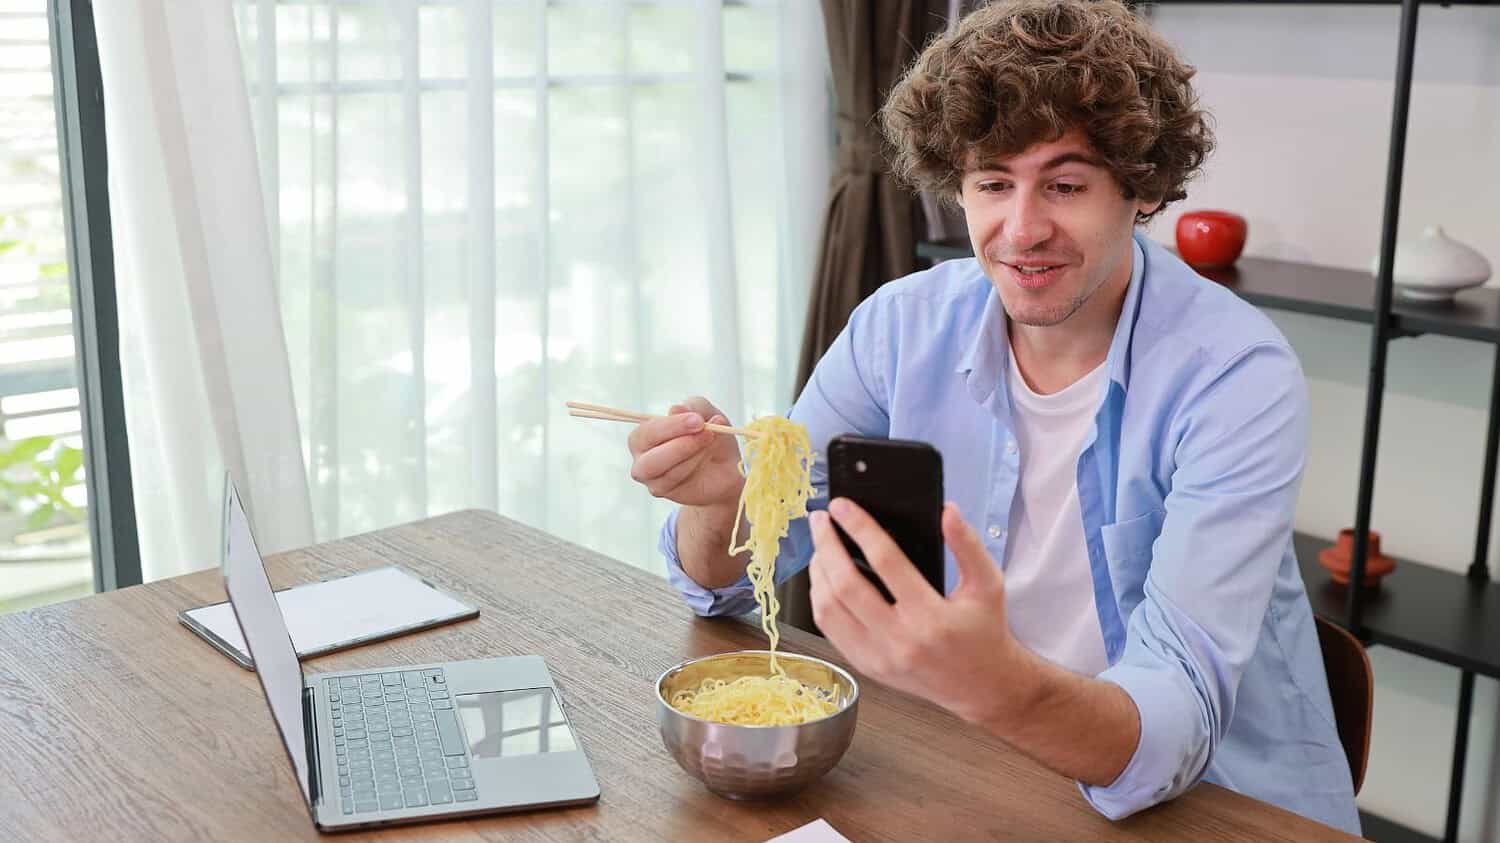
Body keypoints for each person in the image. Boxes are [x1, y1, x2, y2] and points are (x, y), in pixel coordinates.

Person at [624, 0, 1358, 833]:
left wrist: (991, 681)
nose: (1022, 229)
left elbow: (1174, 728)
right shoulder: (897, 328)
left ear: (1140, 189)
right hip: (961, 767)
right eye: (993, 183)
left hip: (1213, 808)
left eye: (1066, 184)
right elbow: (726, 577)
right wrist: (721, 501)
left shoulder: (1233, 376)